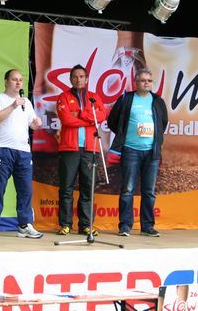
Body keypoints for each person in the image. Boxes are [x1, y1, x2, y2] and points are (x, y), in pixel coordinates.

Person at [107, 68, 168, 237]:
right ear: (136, 83)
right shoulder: (127, 99)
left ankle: (147, 227)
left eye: (149, 81)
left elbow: (163, 122)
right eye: (142, 80)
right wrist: (123, 134)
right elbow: (113, 121)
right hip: (130, 150)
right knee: (127, 189)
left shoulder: (157, 101)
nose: (146, 83)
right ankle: (125, 226)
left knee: (149, 191)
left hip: (151, 152)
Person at [0, 69, 44, 239]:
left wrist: (37, 123)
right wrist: (13, 106)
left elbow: (32, 125)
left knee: (25, 190)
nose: (18, 83)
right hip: (3, 149)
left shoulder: (27, 102)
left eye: (20, 80)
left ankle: (24, 225)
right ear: (6, 81)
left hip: (23, 151)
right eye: (14, 79)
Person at [55, 64, 107, 236]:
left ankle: (85, 225)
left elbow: (102, 115)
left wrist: (81, 115)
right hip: (70, 148)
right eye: (75, 77)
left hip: (90, 148)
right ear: (70, 79)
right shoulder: (63, 96)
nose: (78, 79)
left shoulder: (94, 97)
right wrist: (90, 120)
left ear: (86, 79)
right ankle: (65, 224)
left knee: (88, 188)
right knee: (66, 188)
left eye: (81, 76)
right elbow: (66, 119)